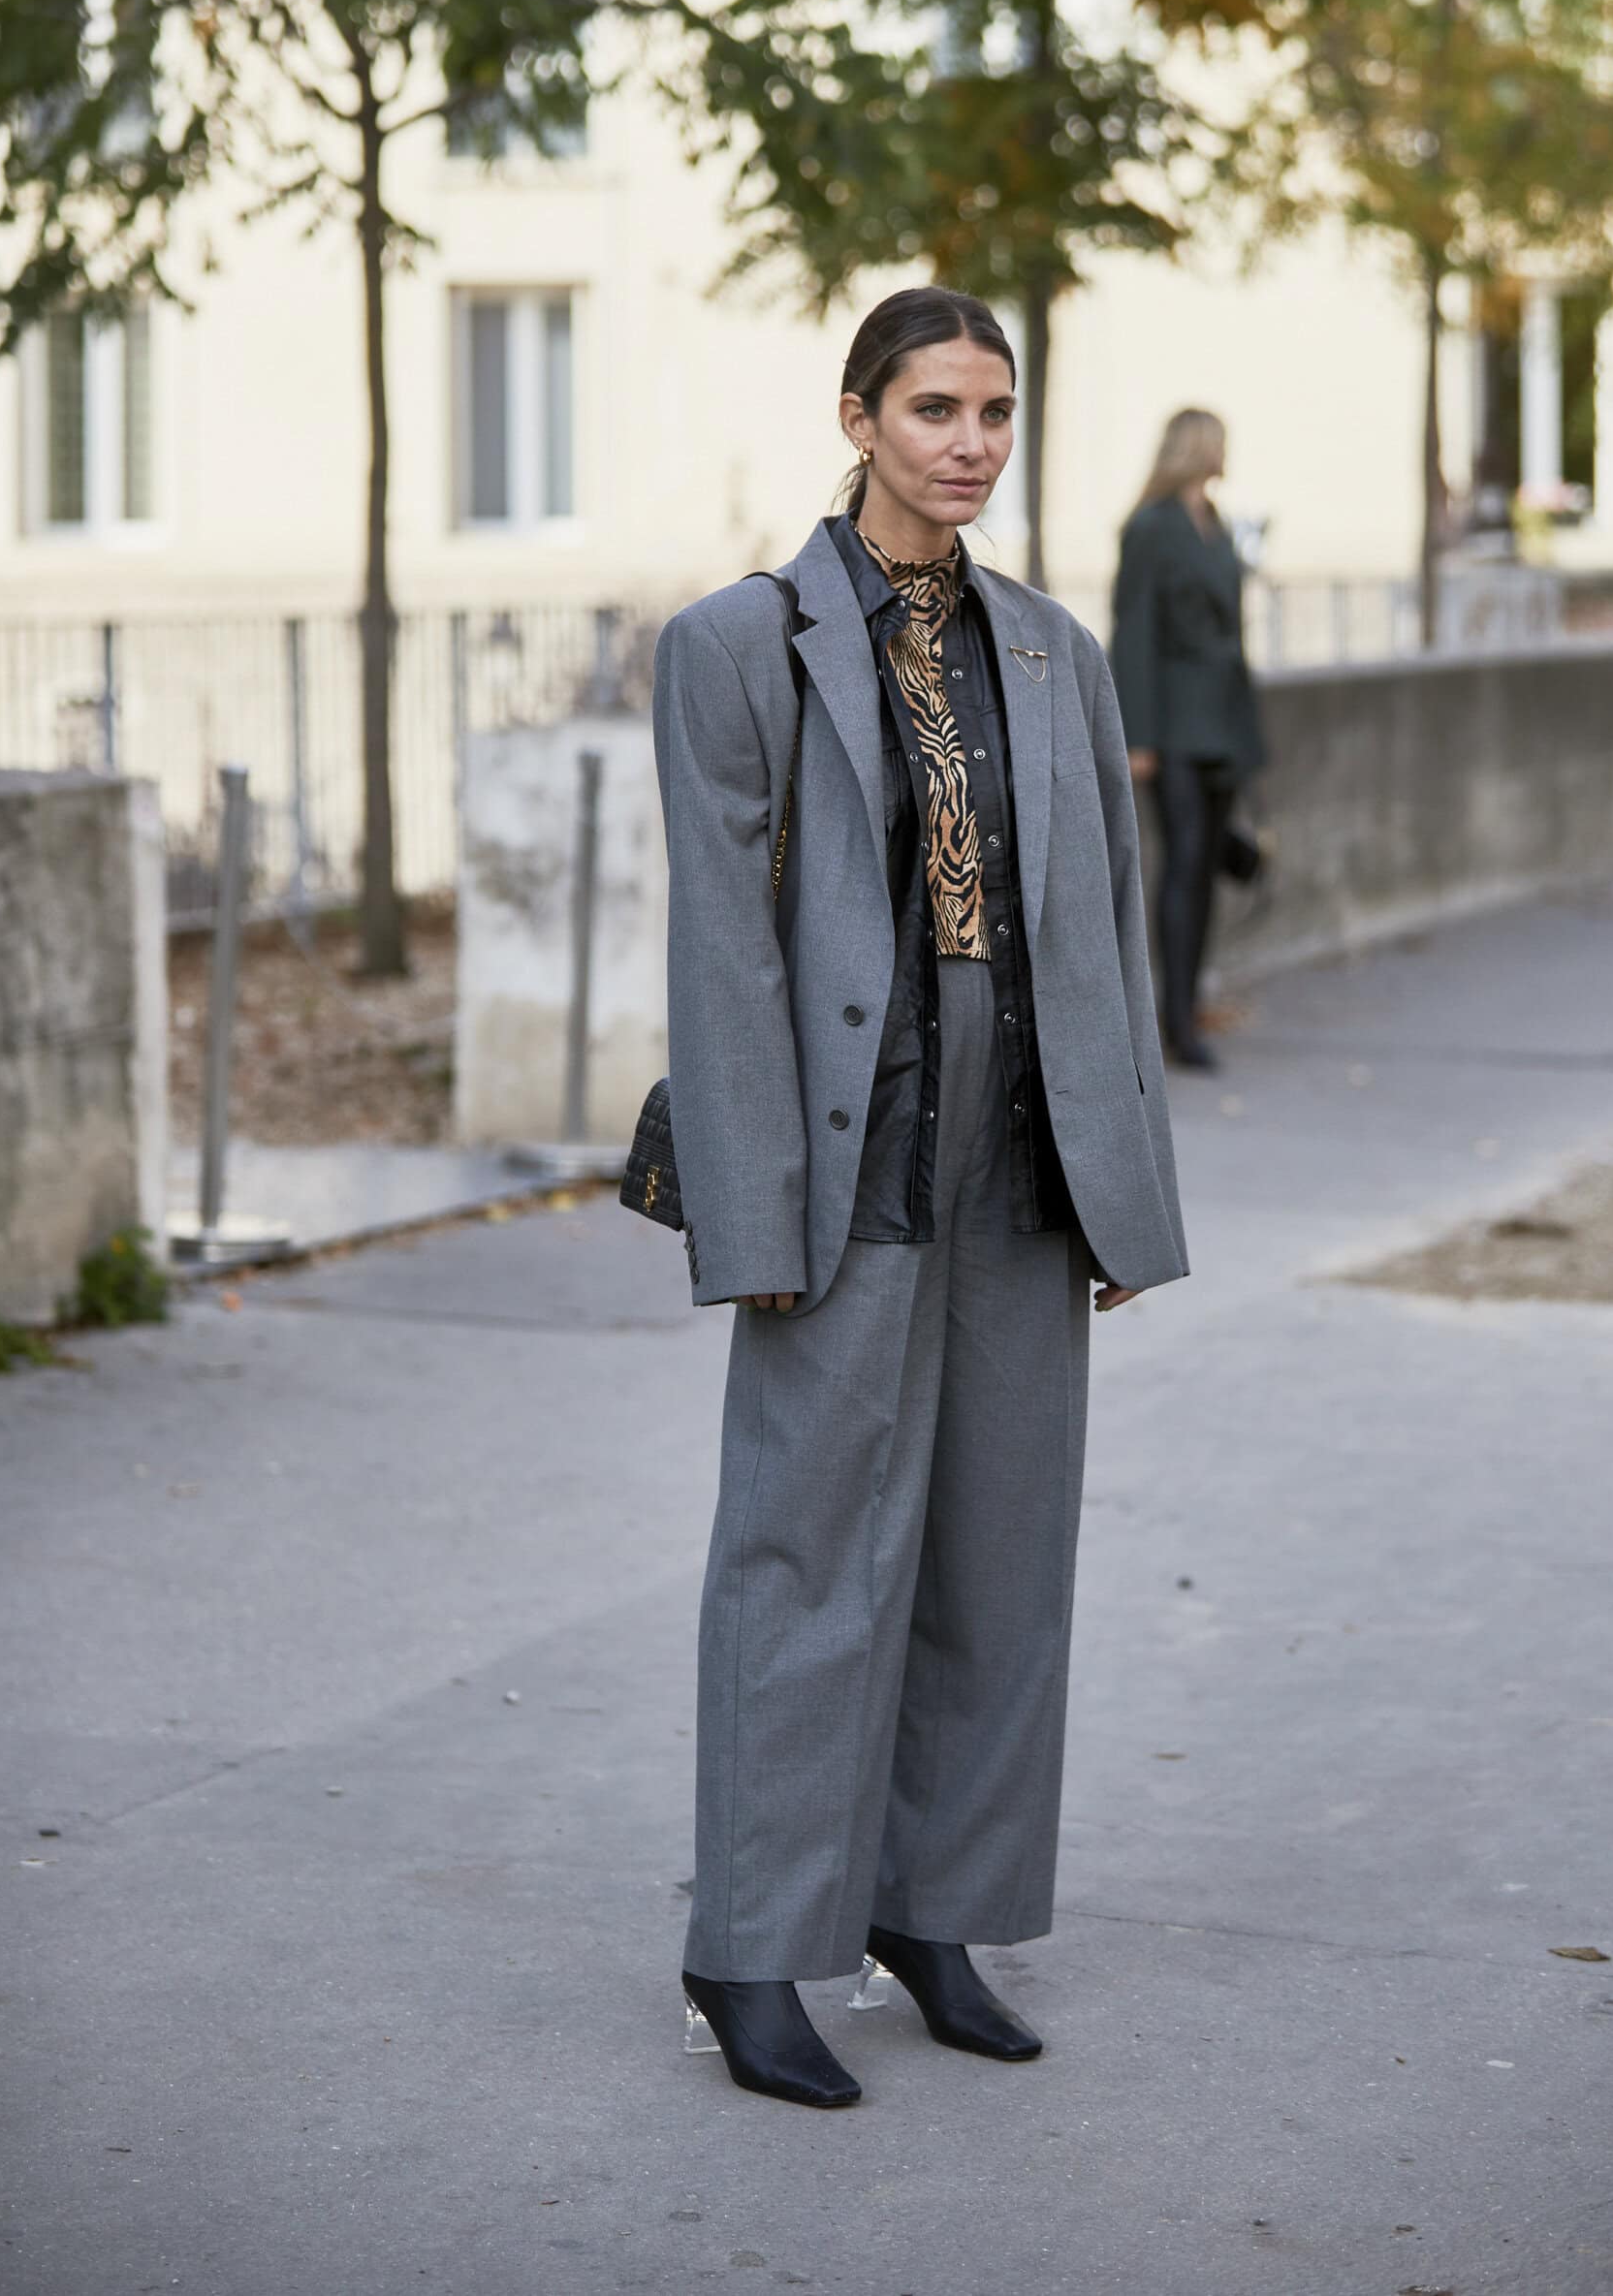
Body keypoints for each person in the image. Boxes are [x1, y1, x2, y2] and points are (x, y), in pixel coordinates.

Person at [651, 285, 1187, 2111]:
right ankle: (750, 1943)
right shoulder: (739, 644)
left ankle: (933, 1911)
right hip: (846, 1142)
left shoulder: (1051, 646)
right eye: (935, 407)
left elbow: (1106, 930)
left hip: (1022, 1142)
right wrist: (753, 1214)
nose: (970, 441)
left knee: (999, 1551)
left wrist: (1123, 1192)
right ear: (859, 416)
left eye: (995, 410)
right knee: (806, 1556)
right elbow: (722, 958)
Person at [1110, 407, 1267, 1073]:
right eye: (1219, 439)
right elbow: (1134, 629)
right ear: (1197, 447)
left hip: (1222, 722)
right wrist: (1137, 735)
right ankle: (1174, 1021)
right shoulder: (1151, 527)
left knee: (1206, 872)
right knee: (1184, 865)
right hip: (1174, 724)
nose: (1227, 450)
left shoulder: (1216, 524)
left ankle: (1190, 1003)